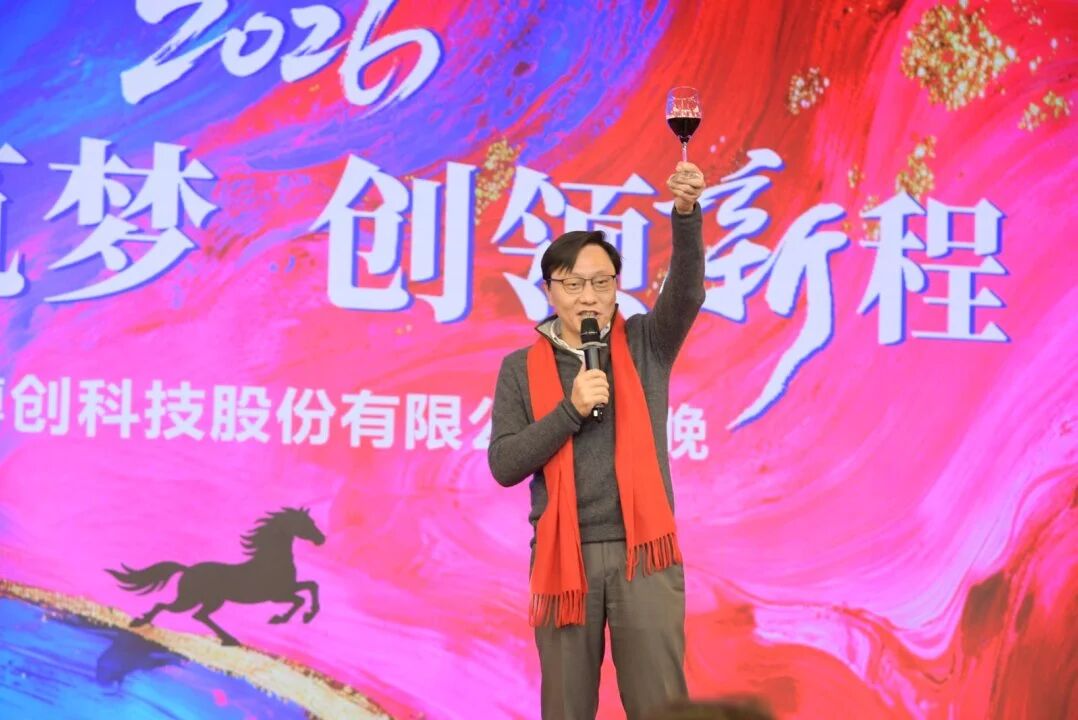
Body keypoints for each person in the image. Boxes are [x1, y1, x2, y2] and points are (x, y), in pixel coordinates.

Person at [488, 161, 706, 720]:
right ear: (550, 290)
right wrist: (571, 410)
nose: (589, 296)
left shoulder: (646, 344)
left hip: (644, 554)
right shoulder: (519, 369)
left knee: (662, 706)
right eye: (574, 283)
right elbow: (505, 463)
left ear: (615, 289)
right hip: (564, 560)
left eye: (602, 282)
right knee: (566, 708)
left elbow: (686, 293)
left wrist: (685, 214)